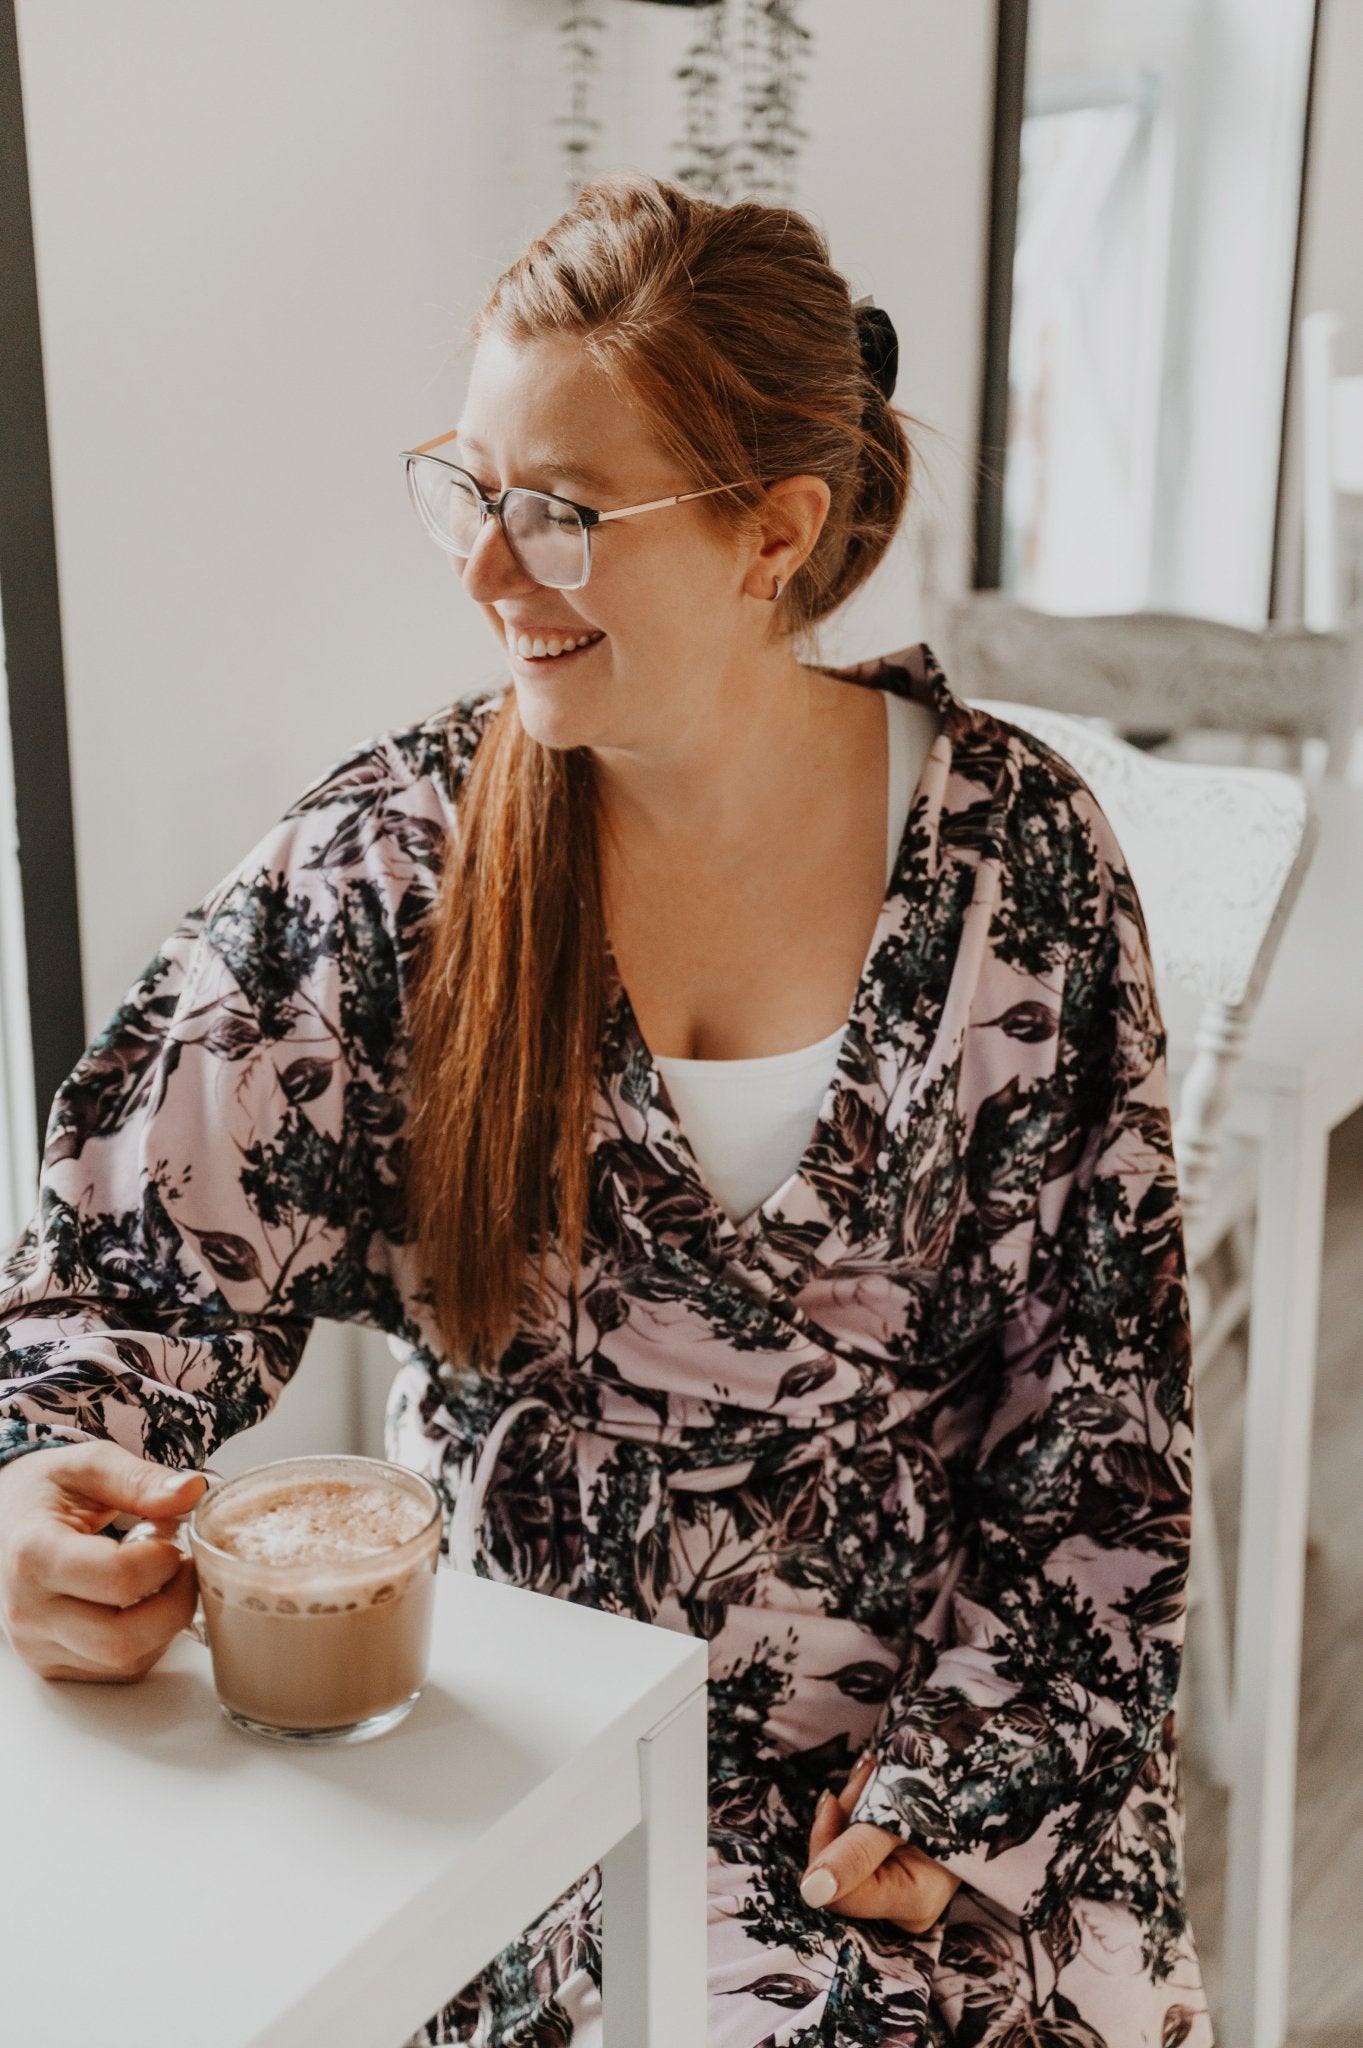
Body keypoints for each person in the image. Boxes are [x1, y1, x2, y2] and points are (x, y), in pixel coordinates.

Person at [0, 173, 1211, 2046]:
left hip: (925, 1770)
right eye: (467, 492)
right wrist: (34, 1481)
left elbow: (1103, 1442)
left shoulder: (1017, 865)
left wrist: (966, 1792)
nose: (487, 571)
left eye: (560, 516)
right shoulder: (385, 868)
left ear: (772, 534)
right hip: (499, 1767)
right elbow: (120, 1286)